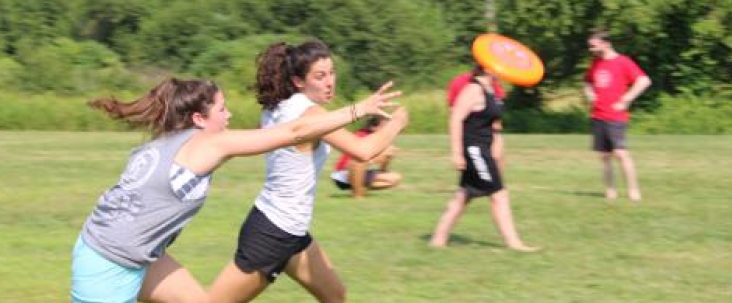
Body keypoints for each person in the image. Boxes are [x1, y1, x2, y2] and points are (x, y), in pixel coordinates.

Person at [70, 75, 401, 303]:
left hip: (139, 255)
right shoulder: (208, 145)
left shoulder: (169, 140)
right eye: (222, 109)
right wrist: (359, 109)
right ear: (199, 118)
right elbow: (295, 131)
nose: (228, 116)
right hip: (107, 262)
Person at [208, 40, 410, 303]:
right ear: (298, 81)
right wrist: (396, 123)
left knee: (335, 295)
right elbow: (362, 150)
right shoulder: (309, 113)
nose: (330, 82)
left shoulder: (278, 105)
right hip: (272, 233)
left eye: (332, 73)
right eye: (320, 76)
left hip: (292, 232)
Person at [429, 64, 538, 251]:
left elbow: (493, 123)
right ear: (487, 68)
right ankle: (514, 243)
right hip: (474, 150)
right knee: (499, 194)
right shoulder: (473, 89)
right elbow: (455, 118)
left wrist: (497, 145)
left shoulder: (491, 89)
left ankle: (438, 240)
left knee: (464, 195)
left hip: (484, 149)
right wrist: (456, 152)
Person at [584, 29, 652, 201]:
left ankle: (634, 191)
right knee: (605, 156)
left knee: (621, 154)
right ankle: (610, 191)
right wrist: (590, 93)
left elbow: (644, 81)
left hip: (615, 116)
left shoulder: (623, 62)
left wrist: (626, 99)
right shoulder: (595, 63)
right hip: (598, 115)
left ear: (606, 44)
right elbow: (587, 81)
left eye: (593, 46)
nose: (590, 49)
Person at [329, 116, 403, 197]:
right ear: (373, 127)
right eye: (385, 126)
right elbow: (355, 161)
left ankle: (359, 188)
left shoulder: (378, 139)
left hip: (360, 172)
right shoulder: (363, 136)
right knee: (384, 155)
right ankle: (357, 193)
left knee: (395, 178)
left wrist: (387, 159)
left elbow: (382, 168)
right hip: (343, 173)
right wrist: (382, 155)